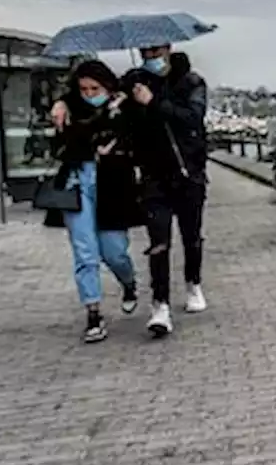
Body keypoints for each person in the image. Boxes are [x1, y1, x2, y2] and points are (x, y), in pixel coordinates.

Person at [53, 45, 210, 338]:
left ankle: (192, 283)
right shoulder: (134, 80)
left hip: (188, 172)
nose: (151, 54)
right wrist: (62, 102)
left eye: (156, 48)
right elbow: (103, 95)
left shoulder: (190, 82)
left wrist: (154, 103)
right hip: (151, 176)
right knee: (156, 242)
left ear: (168, 47)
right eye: (146, 49)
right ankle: (157, 306)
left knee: (189, 236)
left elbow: (192, 118)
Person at [52, 60, 141, 343]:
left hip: (112, 183)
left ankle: (128, 282)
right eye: (84, 89)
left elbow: (138, 137)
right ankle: (93, 313)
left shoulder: (124, 108)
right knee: (85, 251)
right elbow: (60, 146)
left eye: (95, 88)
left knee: (114, 250)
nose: (90, 94)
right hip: (78, 180)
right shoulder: (69, 110)